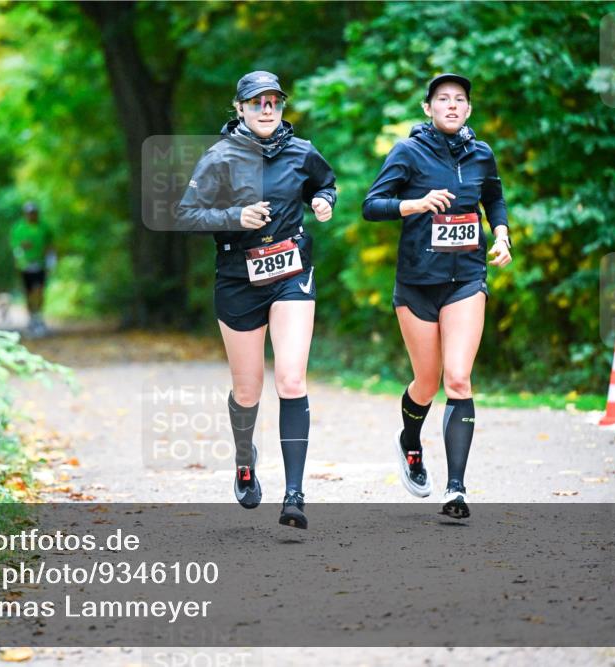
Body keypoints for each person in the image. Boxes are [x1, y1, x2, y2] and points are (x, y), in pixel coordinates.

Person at [176, 71, 336, 529]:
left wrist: (324, 201)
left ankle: (294, 495)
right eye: (257, 102)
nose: (267, 109)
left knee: (290, 379)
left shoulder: (302, 151)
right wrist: (235, 215)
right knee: (248, 391)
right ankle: (245, 459)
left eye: (274, 102)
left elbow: (326, 184)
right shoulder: (220, 158)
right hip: (237, 278)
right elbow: (186, 214)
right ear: (240, 108)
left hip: (291, 272)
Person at [362, 73, 512, 519]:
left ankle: (456, 488)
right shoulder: (408, 152)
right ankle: (410, 442)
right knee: (426, 383)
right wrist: (415, 203)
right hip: (417, 283)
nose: (451, 105)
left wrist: (502, 236)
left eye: (459, 99)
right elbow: (372, 205)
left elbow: (495, 200)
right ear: (428, 107)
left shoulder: (481, 154)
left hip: (466, 277)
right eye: (442, 99)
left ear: (468, 109)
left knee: (458, 378)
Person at [10, 202, 55, 338]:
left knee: (39, 291)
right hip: (25, 265)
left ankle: (39, 317)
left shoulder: (44, 227)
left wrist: (51, 262)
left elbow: (50, 245)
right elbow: (15, 247)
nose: (31, 215)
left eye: (33, 212)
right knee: (28, 293)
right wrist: (20, 254)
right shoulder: (18, 228)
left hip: (40, 264)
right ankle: (31, 319)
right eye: (29, 213)